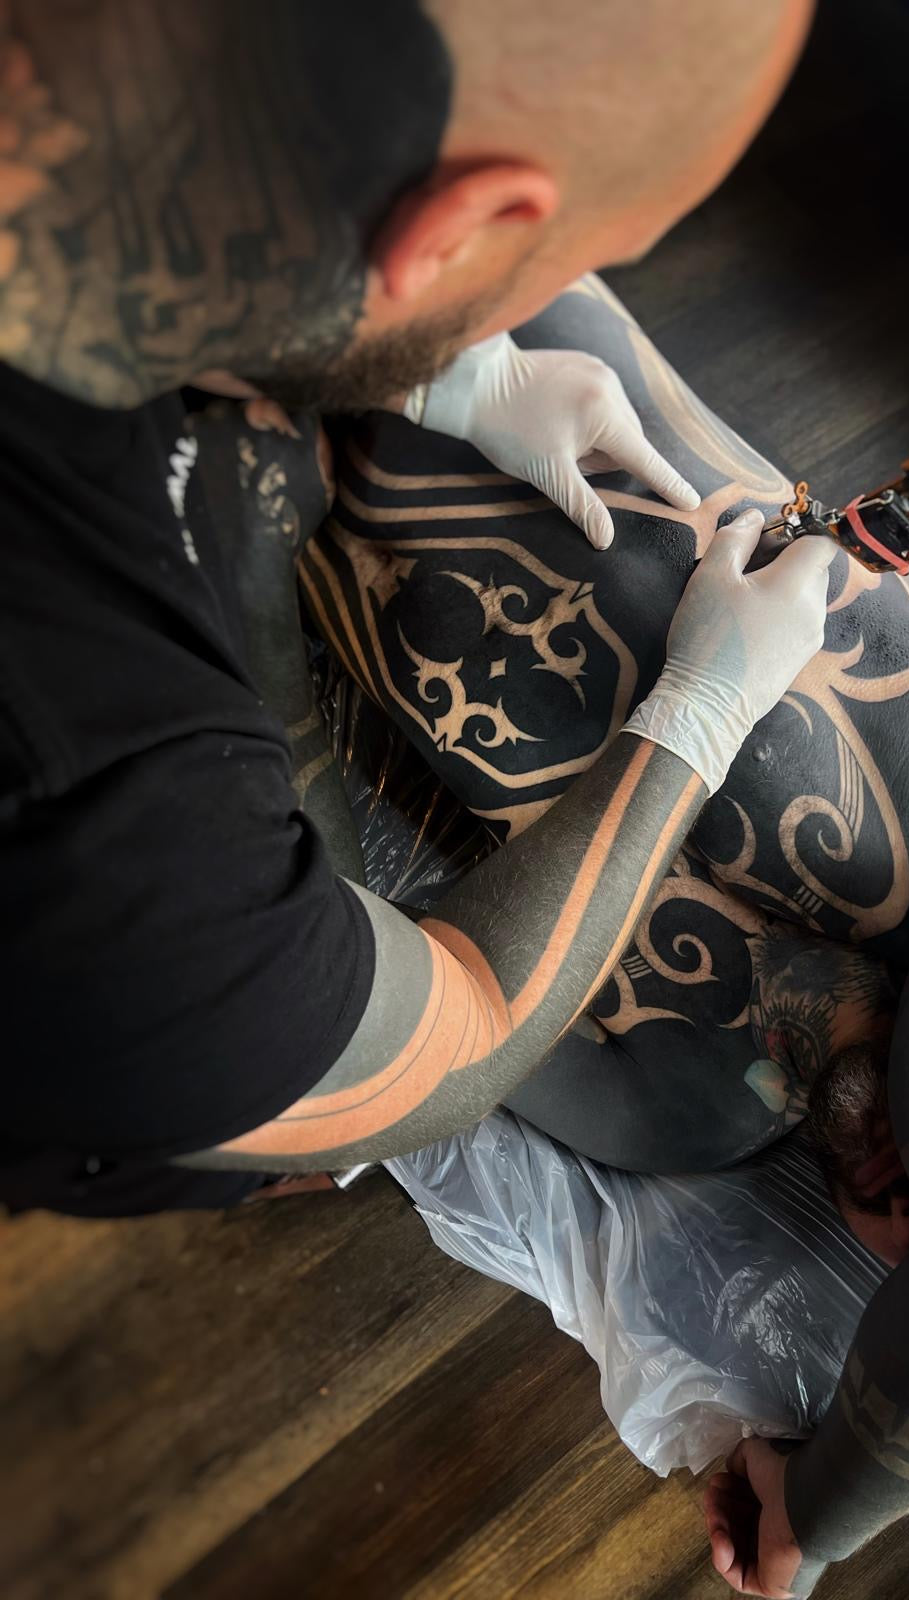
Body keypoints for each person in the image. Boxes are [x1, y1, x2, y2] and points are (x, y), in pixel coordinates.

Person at [292, 274, 909, 1597]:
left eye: (907, 1265)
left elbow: (385, 984)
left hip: (227, 472)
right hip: (439, 275)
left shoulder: (675, 1112)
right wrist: (805, 1523)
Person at [0, 0, 823, 1216]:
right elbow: (464, 1032)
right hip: (143, 1077)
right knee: (275, 1128)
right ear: (455, 230)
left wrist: (451, 370)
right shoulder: (136, 856)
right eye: (562, 265)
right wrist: (701, 712)